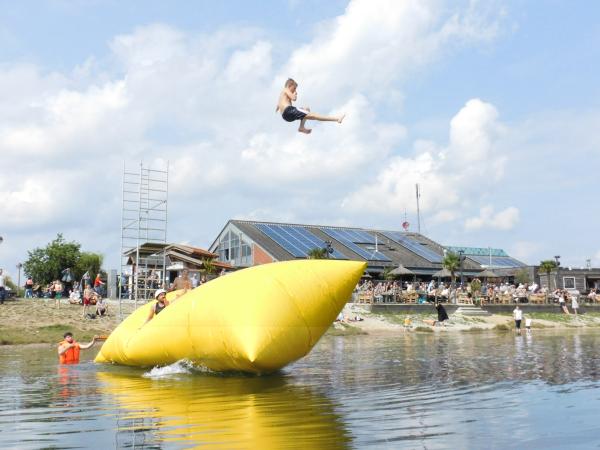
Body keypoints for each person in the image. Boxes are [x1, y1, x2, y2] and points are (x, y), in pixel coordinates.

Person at [276, 78, 345, 134]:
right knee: (314, 115)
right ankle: (337, 119)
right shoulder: (286, 89)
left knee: (306, 109)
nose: (295, 90)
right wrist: (295, 94)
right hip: (289, 111)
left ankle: (301, 127)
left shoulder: (281, 95)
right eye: (294, 89)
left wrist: (278, 107)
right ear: (289, 86)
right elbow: (294, 99)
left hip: (286, 117)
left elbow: (278, 105)